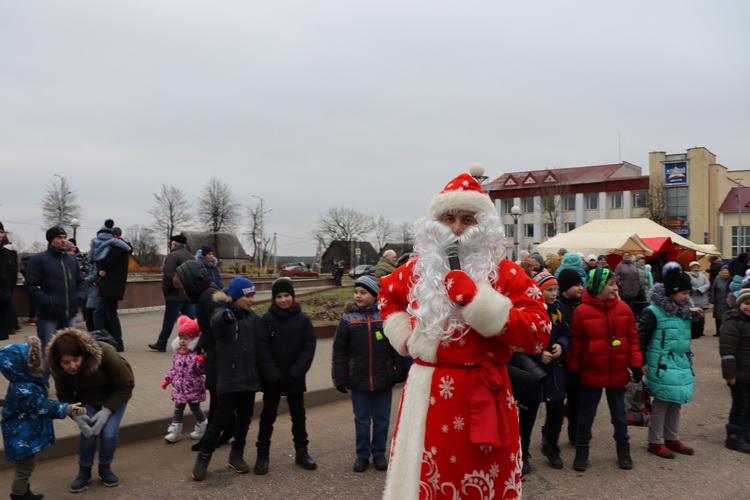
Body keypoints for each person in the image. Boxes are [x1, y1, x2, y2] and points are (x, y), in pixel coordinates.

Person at [378, 173, 549, 499]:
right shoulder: (416, 269)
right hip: (427, 394)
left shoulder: (507, 273)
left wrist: (479, 303)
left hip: (484, 391)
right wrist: (405, 337)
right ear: (435, 223)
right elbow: (387, 297)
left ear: (483, 225)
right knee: (425, 482)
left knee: (480, 481)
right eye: (449, 218)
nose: (456, 229)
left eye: (467, 220)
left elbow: (538, 333)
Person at [568, 268, 642, 471]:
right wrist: (573, 368)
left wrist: (635, 363)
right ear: (598, 286)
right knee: (586, 415)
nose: (616, 287)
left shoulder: (624, 309)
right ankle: (582, 450)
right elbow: (577, 344)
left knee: (619, 414)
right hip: (591, 372)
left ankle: (623, 449)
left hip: (617, 371)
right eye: (611, 284)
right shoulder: (582, 312)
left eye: (616, 283)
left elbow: (633, 340)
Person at [47, 328, 135, 492]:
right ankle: (84, 471)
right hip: (87, 397)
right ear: (58, 361)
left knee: (108, 434)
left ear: (84, 354)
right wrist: (77, 415)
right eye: (66, 362)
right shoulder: (58, 369)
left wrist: (107, 411)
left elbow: (126, 384)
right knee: (88, 432)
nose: (72, 366)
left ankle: (105, 467)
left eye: (76, 359)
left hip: (115, 393)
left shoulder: (104, 352)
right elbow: (65, 396)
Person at [191, 277, 262, 481]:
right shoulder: (221, 312)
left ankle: (236, 456)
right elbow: (218, 322)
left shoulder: (252, 318)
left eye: (252, 296)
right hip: (230, 379)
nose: (251, 300)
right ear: (237, 295)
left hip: (248, 380)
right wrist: (231, 313)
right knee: (219, 421)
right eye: (248, 296)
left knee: (244, 421)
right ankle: (204, 457)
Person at [333, 275, 404, 473]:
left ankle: (379, 453)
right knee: (362, 420)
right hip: (358, 379)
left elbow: (395, 346)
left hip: (383, 377)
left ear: (374, 295)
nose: (358, 295)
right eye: (356, 292)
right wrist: (339, 377)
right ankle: (362, 454)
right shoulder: (348, 320)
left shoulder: (384, 318)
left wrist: (400, 370)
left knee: (382, 420)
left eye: (363, 292)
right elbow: (339, 351)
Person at [0, 336, 87, 500]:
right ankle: (18, 495)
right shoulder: (23, 388)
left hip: (22, 434)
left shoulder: (25, 383)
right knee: (24, 469)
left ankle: (24, 492)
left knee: (26, 467)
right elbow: (41, 406)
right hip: (21, 437)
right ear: (23, 366)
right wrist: (65, 408)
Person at [254, 278, 317, 474]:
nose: (283, 300)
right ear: (274, 298)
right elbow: (262, 350)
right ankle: (262, 454)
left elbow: (308, 348)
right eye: (279, 296)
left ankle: (302, 452)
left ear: (293, 296)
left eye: (286, 295)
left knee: (298, 416)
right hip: (273, 379)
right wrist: (273, 374)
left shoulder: (303, 320)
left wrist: (294, 374)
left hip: (294, 378)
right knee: (267, 417)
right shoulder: (267, 320)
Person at [638, 262, 697, 459]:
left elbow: (693, 336)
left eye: (689, 292)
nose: (687, 297)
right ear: (672, 293)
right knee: (662, 402)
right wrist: (641, 362)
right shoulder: (653, 312)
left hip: (680, 363)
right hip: (661, 363)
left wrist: (697, 318)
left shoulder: (685, 311)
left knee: (676, 402)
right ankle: (655, 441)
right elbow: (642, 338)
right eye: (684, 293)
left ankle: (672, 437)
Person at [517, 272, 570, 474]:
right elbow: (520, 341)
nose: (554, 293)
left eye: (556, 289)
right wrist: (539, 355)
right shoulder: (526, 311)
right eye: (549, 289)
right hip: (532, 375)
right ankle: (523, 453)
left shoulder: (558, 310)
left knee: (556, 413)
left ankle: (551, 446)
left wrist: (561, 345)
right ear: (537, 291)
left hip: (555, 374)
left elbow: (565, 332)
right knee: (527, 416)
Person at [24, 227, 85, 355]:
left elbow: (80, 282)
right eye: (59, 238)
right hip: (48, 317)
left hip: (69, 316)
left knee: (69, 353)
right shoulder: (39, 260)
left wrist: (79, 298)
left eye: (64, 237)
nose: (63, 241)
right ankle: (45, 375)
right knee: (48, 354)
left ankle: (66, 376)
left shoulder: (71, 259)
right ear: (51, 240)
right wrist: (48, 302)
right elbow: (31, 286)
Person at [161, 316, 207, 444]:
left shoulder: (195, 354)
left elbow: (200, 371)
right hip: (179, 388)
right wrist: (167, 379)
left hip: (193, 387)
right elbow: (174, 369)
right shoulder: (178, 353)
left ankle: (202, 425)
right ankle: (175, 431)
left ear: (193, 339)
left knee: (195, 408)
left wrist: (201, 363)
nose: (182, 341)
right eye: (180, 338)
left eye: (186, 338)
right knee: (178, 408)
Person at [149, 234, 196, 352]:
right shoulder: (191, 256)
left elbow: (169, 276)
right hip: (189, 294)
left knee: (169, 320)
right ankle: (197, 341)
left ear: (174, 244)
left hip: (175, 294)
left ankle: (161, 343)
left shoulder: (173, 256)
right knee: (192, 320)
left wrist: (166, 292)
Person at [719, 288, 750, 454]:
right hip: (738, 374)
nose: (749, 307)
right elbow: (727, 351)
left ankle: (745, 432)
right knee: (741, 405)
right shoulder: (733, 322)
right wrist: (730, 374)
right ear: (739, 304)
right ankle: (733, 437)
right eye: (746, 303)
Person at [92, 225, 133, 352]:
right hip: (115, 287)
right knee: (111, 314)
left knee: (98, 313)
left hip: (109, 287)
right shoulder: (122, 247)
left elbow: (104, 263)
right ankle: (118, 342)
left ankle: (100, 341)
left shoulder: (116, 248)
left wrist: (100, 269)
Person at [557, 268, 584, 446]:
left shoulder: (583, 305)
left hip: (578, 361)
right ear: (566, 286)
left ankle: (574, 433)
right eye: (576, 285)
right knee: (557, 402)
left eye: (581, 284)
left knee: (576, 400)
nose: (581, 288)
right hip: (561, 362)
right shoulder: (558, 307)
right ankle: (550, 434)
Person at [0, 221, 18, 341]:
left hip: (3, 305)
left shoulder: (5, 253)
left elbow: (10, 276)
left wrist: (7, 294)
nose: (1, 235)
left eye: (1, 232)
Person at [687, 261, 709, 339]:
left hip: (702, 298)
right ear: (691, 268)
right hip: (693, 298)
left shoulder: (702, 275)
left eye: (697, 267)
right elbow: (688, 284)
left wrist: (701, 289)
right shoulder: (688, 276)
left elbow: (707, 284)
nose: (696, 269)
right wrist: (696, 290)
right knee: (694, 316)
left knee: (702, 316)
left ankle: (700, 331)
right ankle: (694, 331)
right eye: (694, 267)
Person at [710, 265, 731, 335]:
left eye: (727, 270)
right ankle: (718, 332)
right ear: (721, 271)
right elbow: (713, 289)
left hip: (728, 301)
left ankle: (725, 331)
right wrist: (712, 299)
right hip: (718, 300)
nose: (725, 271)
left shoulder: (731, 279)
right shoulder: (717, 278)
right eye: (724, 270)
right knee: (718, 317)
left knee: (727, 316)